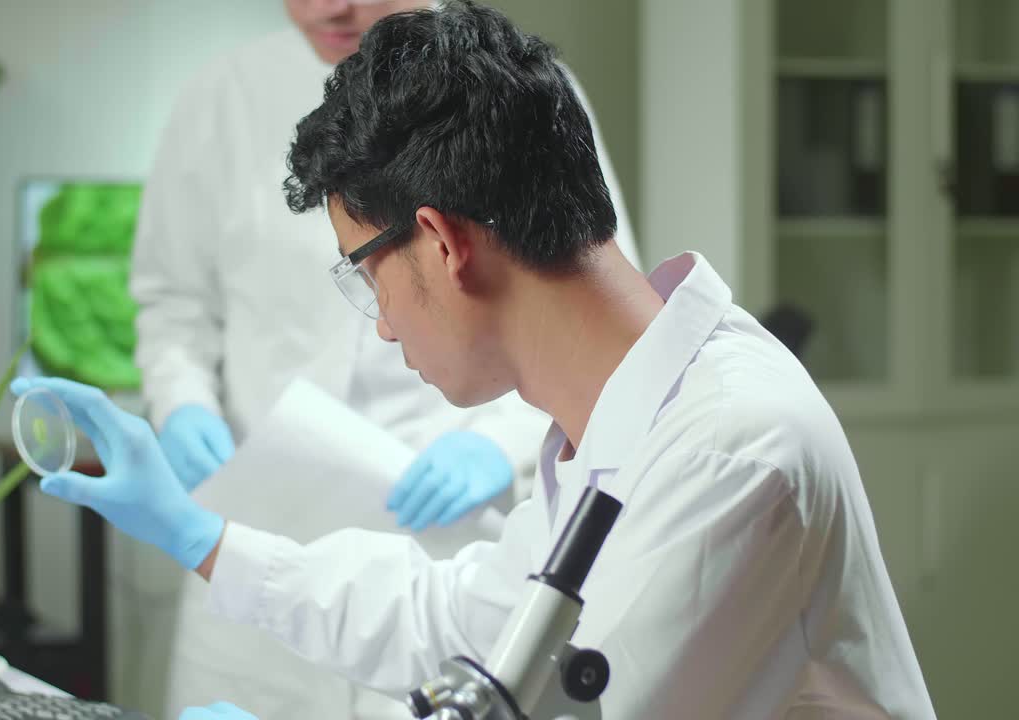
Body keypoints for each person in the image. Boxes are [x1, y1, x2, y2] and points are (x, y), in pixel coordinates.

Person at [17, 1, 936, 717]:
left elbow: (558, 707)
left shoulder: (728, 453)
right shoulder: (629, 421)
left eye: (363, 275)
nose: (378, 326)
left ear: (442, 243)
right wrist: (198, 533)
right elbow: (463, 621)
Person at [129, 0, 639, 717]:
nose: (326, 8)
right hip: (265, 521)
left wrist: (499, 447)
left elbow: (589, 303)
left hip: (445, 533)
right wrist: (182, 405)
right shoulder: (221, 95)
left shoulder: (509, 89)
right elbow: (171, 300)